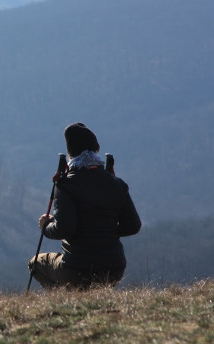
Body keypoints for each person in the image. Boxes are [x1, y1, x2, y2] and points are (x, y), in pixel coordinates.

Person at [28, 123, 141, 289]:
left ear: (70, 154)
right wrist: (105, 230)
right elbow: (133, 225)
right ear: (96, 150)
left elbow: (65, 229)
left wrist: (46, 226)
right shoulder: (117, 184)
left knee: (36, 263)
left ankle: (66, 305)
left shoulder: (66, 185)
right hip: (114, 268)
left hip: (77, 269)